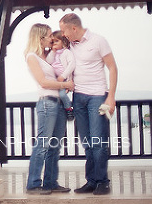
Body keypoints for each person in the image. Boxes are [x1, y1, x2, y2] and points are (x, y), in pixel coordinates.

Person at [58, 13, 118, 196]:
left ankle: (102, 182)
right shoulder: (70, 46)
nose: (63, 34)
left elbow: (112, 67)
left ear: (73, 28)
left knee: (98, 141)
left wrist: (111, 97)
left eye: (64, 31)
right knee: (87, 142)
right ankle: (91, 181)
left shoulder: (99, 41)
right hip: (78, 97)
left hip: (97, 96)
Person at [24, 23, 75, 195]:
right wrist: (65, 84)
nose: (52, 38)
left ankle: (50, 183)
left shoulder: (49, 56)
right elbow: (43, 82)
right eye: (49, 35)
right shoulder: (32, 57)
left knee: (54, 146)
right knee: (42, 145)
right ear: (40, 38)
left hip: (59, 103)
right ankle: (33, 184)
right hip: (47, 103)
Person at [48, 30, 75, 121]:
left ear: (63, 42)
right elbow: (49, 61)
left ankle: (69, 109)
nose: (54, 43)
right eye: (53, 42)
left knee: (62, 94)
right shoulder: (53, 53)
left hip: (63, 79)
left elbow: (72, 64)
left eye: (57, 41)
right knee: (55, 96)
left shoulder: (66, 52)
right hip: (54, 79)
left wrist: (63, 76)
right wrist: (53, 51)